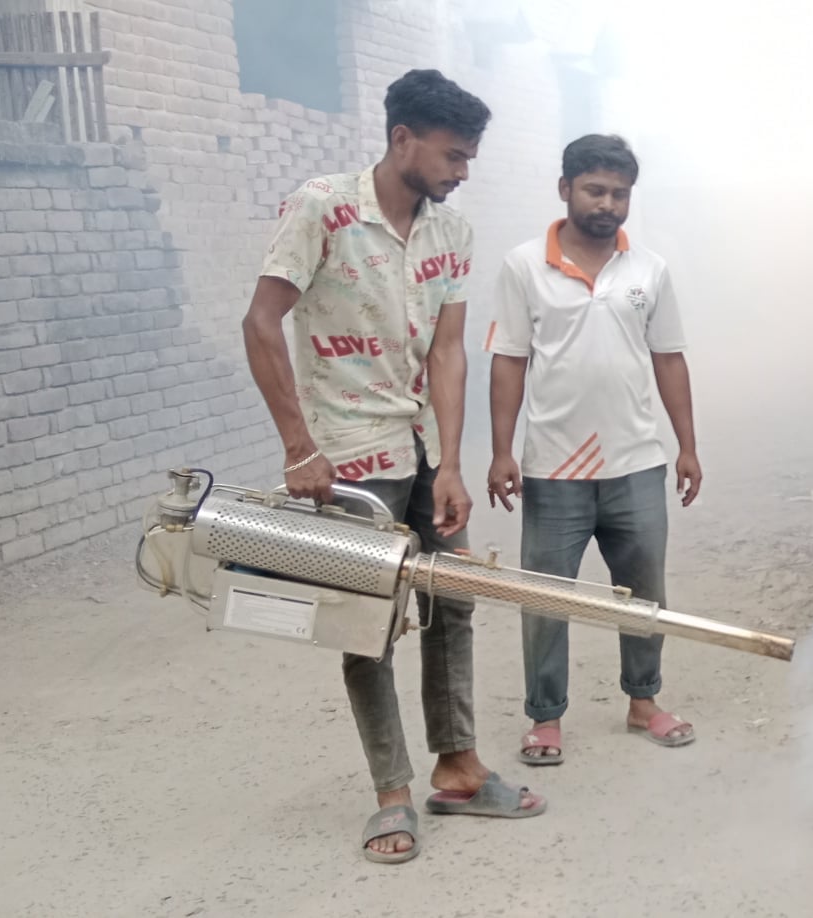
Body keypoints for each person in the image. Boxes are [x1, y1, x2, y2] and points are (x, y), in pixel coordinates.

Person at [240, 68, 546, 866]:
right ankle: (391, 793)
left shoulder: (452, 233)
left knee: (455, 602)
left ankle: (458, 766)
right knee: (365, 625)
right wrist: (299, 448)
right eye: (453, 155)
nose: (462, 170)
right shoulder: (322, 208)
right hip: (346, 456)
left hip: (419, 448)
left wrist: (451, 463)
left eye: (470, 157)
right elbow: (262, 322)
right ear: (402, 138)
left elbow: (448, 352)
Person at [485, 133, 703, 767]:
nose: (607, 204)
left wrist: (687, 446)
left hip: (637, 461)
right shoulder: (524, 265)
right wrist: (502, 451)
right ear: (566, 189)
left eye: (619, 194)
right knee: (545, 598)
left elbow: (669, 358)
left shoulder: (649, 270)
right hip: (554, 467)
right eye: (595, 190)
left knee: (644, 593)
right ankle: (545, 716)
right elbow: (509, 361)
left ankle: (644, 701)